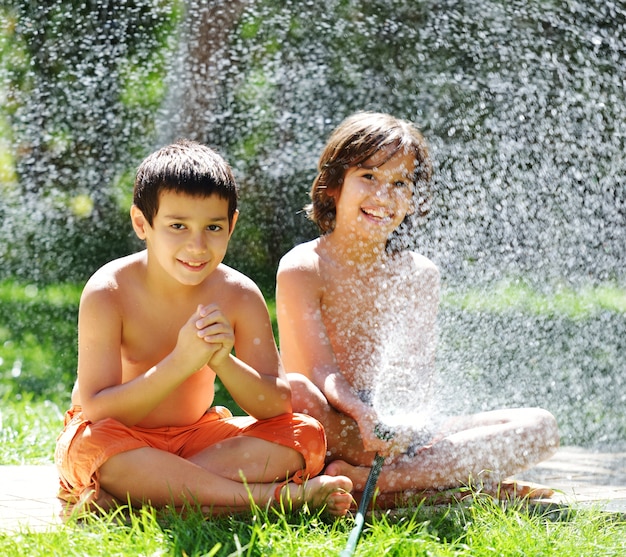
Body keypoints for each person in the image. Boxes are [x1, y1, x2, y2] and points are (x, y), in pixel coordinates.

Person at [55, 139, 353, 518]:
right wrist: (180, 362)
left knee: (305, 436)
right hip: (120, 440)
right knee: (94, 449)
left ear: (232, 225)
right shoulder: (109, 290)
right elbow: (97, 410)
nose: (197, 245)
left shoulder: (238, 294)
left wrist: (223, 360)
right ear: (141, 224)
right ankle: (274, 499)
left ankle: (144, 498)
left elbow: (276, 405)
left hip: (197, 440)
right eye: (177, 225)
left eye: (213, 227)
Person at [276, 112, 560, 504]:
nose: (383, 196)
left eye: (399, 183)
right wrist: (363, 415)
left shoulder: (418, 274)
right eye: (369, 177)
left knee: (539, 427)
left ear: (412, 198)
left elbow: (413, 376)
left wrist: (403, 425)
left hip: (397, 438)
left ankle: (375, 483)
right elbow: (317, 370)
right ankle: (443, 482)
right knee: (296, 393)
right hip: (334, 428)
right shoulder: (305, 268)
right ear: (333, 186)